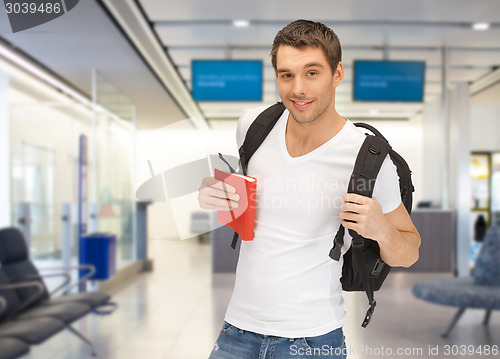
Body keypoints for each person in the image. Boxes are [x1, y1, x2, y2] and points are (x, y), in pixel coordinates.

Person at [198, 19, 420, 359]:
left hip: (312, 341)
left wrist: (383, 230)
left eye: (312, 73)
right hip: (236, 332)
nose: (297, 88)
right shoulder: (254, 126)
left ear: (337, 73)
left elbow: (410, 251)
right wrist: (218, 196)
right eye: (286, 75)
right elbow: (260, 215)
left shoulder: (370, 160)